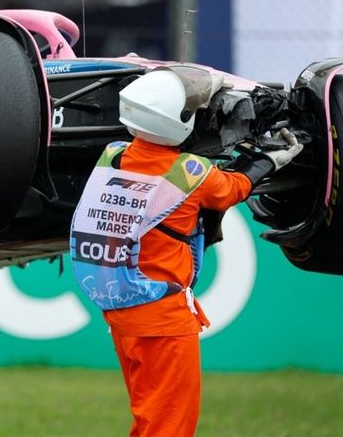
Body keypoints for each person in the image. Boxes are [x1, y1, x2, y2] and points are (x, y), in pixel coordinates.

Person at [69, 68, 303, 437]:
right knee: (170, 426)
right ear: (174, 121)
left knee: (149, 421)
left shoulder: (113, 156)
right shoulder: (191, 173)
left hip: (124, 312)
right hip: (163, 317)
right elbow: (232, 188)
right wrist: (270, 159)